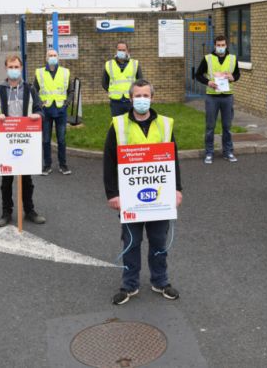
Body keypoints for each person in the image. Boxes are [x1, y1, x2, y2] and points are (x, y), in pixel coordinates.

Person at [103, 79, 183, 305]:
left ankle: (160, 280)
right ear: (130, 99)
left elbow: (173, 159)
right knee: (131, 241)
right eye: (137, 96)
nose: (141, 100)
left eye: (145, 95)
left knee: (159, 240)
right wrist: (112, 194)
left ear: (152, 98)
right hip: (129, 198)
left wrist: (177, 189)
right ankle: (129, 285)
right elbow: (109, 162)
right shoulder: (118, 125)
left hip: (160, 196)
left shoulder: (165, 125)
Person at [0, 54, 46, 226]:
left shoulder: (30, 89)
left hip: (26, 141)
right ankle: (6, 213)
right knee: (7, 181)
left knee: (27, 180)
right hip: (6, 143)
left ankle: (30, 210)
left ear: (21, 68)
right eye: (10, 67)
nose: (14, 70)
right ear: (6, 68)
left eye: (16, 67)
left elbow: (40, 110)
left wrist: (37, 115)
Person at [194, 35, 240, 164]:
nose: (221, 47)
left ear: (226, 46)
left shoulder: (232, 59)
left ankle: (228, 152)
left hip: (227, 96)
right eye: (218, 45)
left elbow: (237, 74)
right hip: (212, 97)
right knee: (210, 127)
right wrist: (208, 82)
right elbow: (198, 75)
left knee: (227, 126)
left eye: (223, 45)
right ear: (214, 46)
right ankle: (209, 152)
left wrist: (233, 78)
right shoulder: (208, 59)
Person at [34, 49, 73, 176]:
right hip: (46, 110)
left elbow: (71, 91)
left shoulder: (65, 72)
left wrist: (67, 103)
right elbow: (34, 90)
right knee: (46, 140)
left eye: (54, 55)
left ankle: (63, 165)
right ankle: (47, 165)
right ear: (46, 58)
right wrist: (39, 104)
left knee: (61, 139)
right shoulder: (39, 73)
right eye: (50, 55)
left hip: (61, 109)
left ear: (58, 58)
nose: (52, 57)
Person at [102, 42, 142, 117]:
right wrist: (113, 91)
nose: (121, 52)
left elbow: (140, 82)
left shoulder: (135, 63)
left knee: (132, 123)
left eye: (123, 50)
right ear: (116, 51)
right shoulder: (109, 64)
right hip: (115, 102)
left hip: (131, 101)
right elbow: (104, 83)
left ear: (127, 51)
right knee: (117, 124)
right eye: (119, 50)